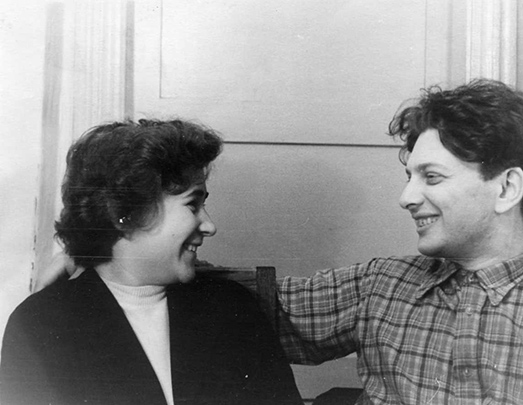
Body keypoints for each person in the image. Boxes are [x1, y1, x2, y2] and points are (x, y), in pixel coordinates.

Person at [277, 79, 523, 404]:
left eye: (432, 177)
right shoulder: (380, 284)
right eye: (410, 177)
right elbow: (243, 305)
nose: (406, 198)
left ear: (507, 188)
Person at [0, 119, 303, 405]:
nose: (210, 226)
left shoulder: (233, 308)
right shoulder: (39, 325)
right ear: (125, 214)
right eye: (192, 204)